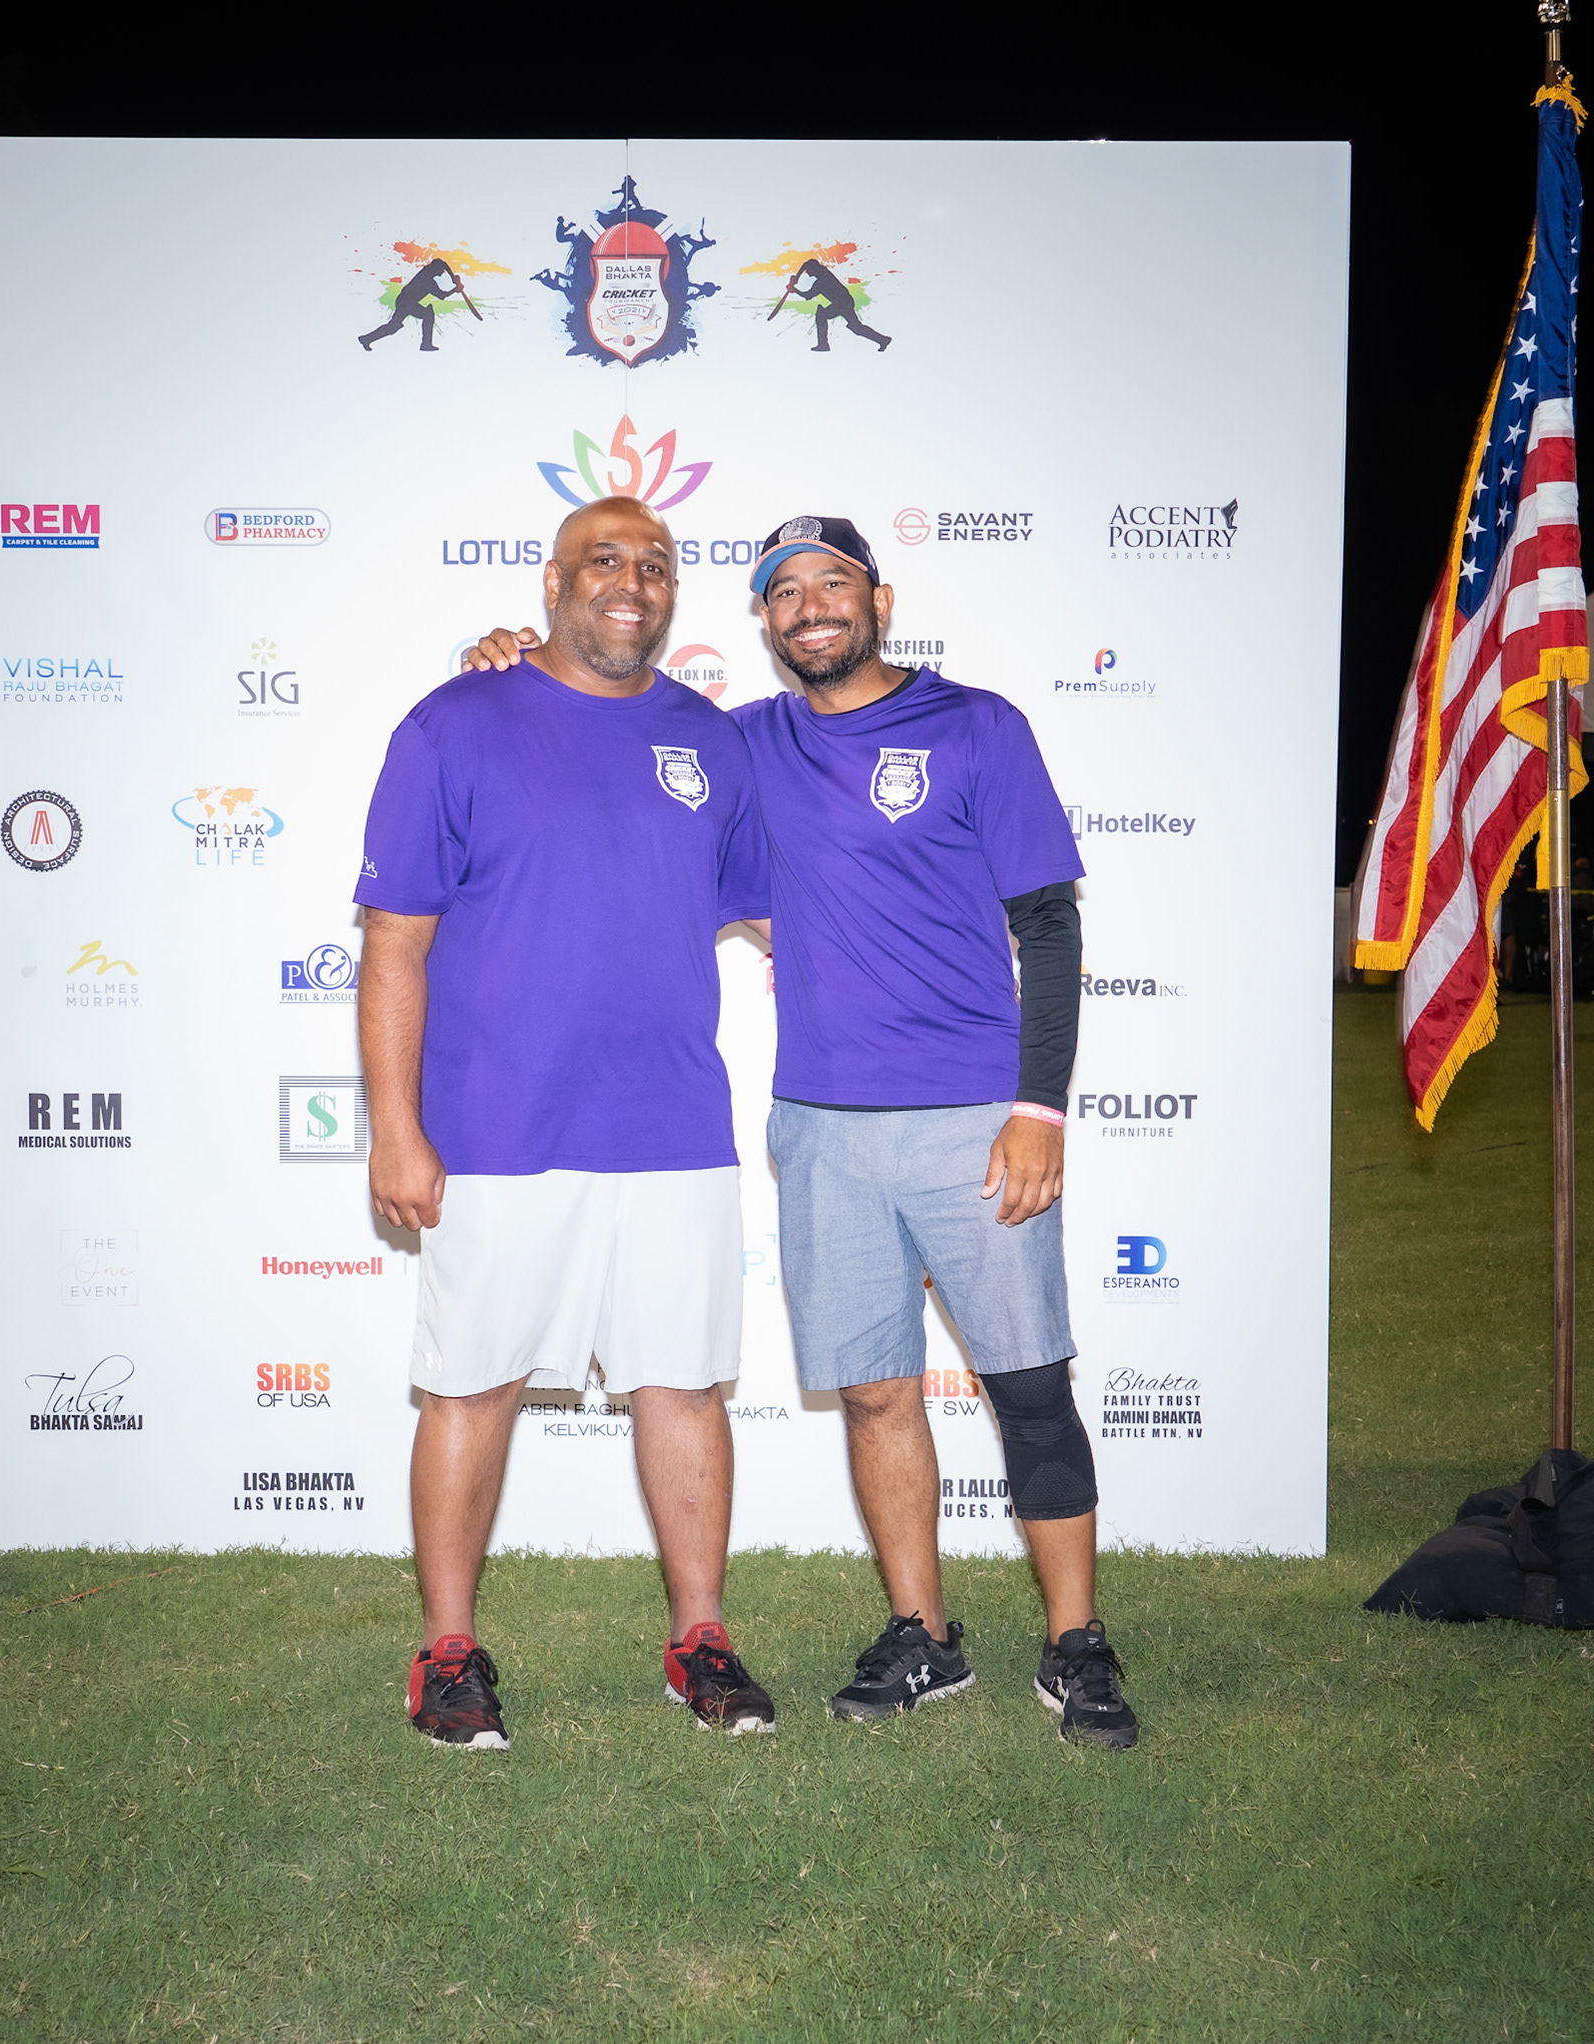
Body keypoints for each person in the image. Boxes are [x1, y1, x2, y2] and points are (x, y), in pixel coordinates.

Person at [458, 515, 1139, 1749]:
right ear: (766, 622)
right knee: (876, 1394)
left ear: (880, 599)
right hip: (821, 1124)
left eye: (834, 582)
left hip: (978, 1117)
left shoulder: (978, 725)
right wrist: (510, 658)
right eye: (785, 591)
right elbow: (606, 722)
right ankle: (924, 1635)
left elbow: (1049, 922)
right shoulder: (742, 744)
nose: (812, 605)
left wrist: (1040, 1108)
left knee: (1030, 1388)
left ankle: (1076, 1643)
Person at [354, 496, 778, 1751]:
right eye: (605, 560)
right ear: (552, 583)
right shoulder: (454, 722)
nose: (632, 582)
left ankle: (701, 1639)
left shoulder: (714, 741)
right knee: (471, 1388)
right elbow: (394, 946)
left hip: (673, 1125)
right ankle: (447, 1650)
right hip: (496, 1127)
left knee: (683, 1387)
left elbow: (780, 914)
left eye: (656, 564)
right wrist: (396, 1127)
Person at [782, 260, 890, 354]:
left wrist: (794, 290)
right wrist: (797, 277)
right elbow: (806, 264)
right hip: (845, 301)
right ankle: (883, 340)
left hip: (842, 303)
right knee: (856, 328)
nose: (808, 274)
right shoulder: (824, 273)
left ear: (814, 269)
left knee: (821, 314)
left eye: (808, 271)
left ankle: (823, 344)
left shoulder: (821, 281)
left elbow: (807, 296)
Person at [358, 257, 466, 353]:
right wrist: (455, 289)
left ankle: (366, 339)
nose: (442, 272)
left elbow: (444, 264)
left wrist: (452, 277)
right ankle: (426, 344)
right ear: (436, 269)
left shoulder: (426, 271)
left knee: (392, 327)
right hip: (407, 302)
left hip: (404, 301)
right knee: (428, 313)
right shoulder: (428, 281)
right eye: (441, 270)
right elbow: (441, 295)